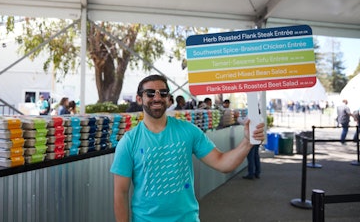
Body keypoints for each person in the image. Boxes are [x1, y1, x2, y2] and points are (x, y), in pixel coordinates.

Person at [110, 75, 265, 221]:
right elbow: (120, 194)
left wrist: (248, 142)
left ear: (168, 99)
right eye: (150, 93)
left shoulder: (188, 131)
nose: (157, 98)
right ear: (139, 98)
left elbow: (222, 163)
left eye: (162, 93)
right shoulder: (129, 142)